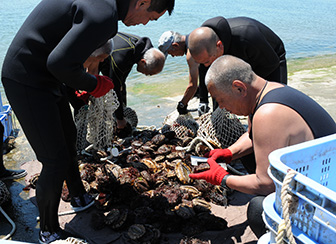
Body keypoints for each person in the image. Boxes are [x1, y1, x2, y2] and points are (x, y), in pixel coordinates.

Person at [1, 0, 175, 242]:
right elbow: (59, 63)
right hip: (26, 80)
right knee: (54, 160)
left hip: (48, 79)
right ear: (142, 2)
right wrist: (94, 84)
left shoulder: (104, 7)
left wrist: (81, 84)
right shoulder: (104, 14)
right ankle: (48, 230)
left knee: (69, 139)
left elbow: (65, 58)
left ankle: (78, 196)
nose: (145, 23)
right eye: (151, 17)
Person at [189, 55, 336, 238]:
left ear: (239, 88)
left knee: (258, 210)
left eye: (221, 100)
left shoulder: (268, 113)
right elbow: (254, 136)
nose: (222, 107)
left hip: (328, 204)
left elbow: (265, 184)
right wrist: (229, 152)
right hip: (324, 176)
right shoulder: (272, 91)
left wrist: (222, 178)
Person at [188, 16, 288, 110]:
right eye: (202, 62)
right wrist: (203, 100)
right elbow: (204, 71)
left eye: (207, 62)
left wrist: (246, 85)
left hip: (270, 57)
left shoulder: (247, 36)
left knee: (272, 102)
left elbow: (272, 62)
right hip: (242, 57)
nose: (206, 66)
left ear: (219, 45)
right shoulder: (205, 44)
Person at [99, 32, 166, 137]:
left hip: (112, 55)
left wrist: (122, 112)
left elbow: (121, 84)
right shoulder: (122, 58)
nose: (147, 75)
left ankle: (119, 118)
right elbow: (114, 89)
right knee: (106, 90)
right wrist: (120, 119)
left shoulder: (141, 49)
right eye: (149, 73)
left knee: (120, 86)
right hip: (96, 54)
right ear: (143, 62)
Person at [158, 31, 210, 116]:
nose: (173, 56)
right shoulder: (194, 37)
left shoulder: (191, 53)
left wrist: (182, 104)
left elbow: (192, 85)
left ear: (175, 45)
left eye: (171, 53)